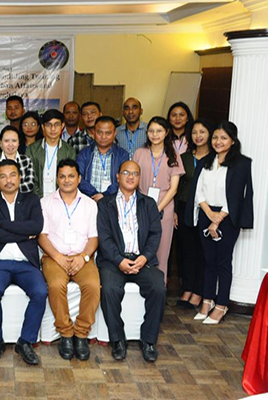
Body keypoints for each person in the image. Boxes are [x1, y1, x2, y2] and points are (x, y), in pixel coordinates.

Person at [96, 160, 166, 362]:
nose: (130, 176)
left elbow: (155, 234)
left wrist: (144, 258)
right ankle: (117, 340)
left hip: (142, 259)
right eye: (125, 172)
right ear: (117, 176)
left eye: (135, 173)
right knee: (109, 289)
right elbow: (104, 236)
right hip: (113, 261)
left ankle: (149, 340)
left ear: (139, 178)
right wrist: (119, 260)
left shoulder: (149, 203)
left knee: (158, 288)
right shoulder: (105, 204)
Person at [186, 121, 253, 325]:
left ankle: (222, 305)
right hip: (207, 213)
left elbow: (236, 195)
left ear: (233, 140)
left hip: (227, 217)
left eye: (223, 138)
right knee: (208, 262)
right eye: (215, 137)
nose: (218, 141)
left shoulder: (241, 163)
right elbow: (199, 191)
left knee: (223, 262)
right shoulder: (207, 161)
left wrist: (218, 219)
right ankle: (207, 301)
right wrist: (208, 213)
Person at [0, 159, 47, 365]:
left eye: (12, 175)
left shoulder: (32, 199)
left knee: (40, 291)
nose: (8, 180)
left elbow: (36, 227)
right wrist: (22, 232)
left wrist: (6, 226)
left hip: (25, 262)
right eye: (3, 176)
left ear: (20, 177)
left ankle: (25, 342)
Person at [39, 159, 100, 361]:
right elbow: (42, 236)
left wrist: (83, 258)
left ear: (79, 178)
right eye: (62, 176)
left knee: (93, 285)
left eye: (71, 176)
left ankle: (81, 334)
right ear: (57, 179)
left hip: (82, 257)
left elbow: (94, 238)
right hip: (54, 257)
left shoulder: (90, 205)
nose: (67, 180)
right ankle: (65, 333)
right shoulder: (45, 202)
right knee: (56, 285)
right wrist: (58, 257)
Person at [133, 117, 184, 282]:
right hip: (141, 205)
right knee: (140, 247)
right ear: (147, 133)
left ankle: (159, 289)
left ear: (166, 132)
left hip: (165, 208)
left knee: (162, 250)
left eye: (159, 131)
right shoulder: (140, 153)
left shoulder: (173, 154)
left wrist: (157, 208)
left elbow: (174, 188)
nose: (155, 135)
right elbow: (133, 181)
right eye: (151, 131)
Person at [174, 118, 212, 309]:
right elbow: (178, 185)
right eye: (195, 132)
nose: (198, 136)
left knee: (202, 251)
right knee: (187, 250)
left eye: (202, 132)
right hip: (184, 207)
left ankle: (198, 291)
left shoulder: (215, 158)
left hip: (205, 210)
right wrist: (173, 211)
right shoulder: (185, 157)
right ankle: (187, 288)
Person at [76, 116, 129, 202]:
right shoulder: (83, 154)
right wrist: (94, 194)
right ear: (94, 132)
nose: (103, 137)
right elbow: (78, 177)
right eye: (99, 132)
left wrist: (105, 195)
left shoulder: (123, 155)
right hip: (88, 201)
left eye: (108, 133)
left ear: (115, 133)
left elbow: (124, 179)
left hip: (113, 202)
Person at [26, 109, 76, 198]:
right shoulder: (32, 150)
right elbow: (30, 177)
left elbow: (70, 178)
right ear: (43, 127)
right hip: (37, 200)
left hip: (60, 200)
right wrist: (39, 199)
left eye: (56, 124)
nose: (53, 129)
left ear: (62, 126)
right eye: (49, 125)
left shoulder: (69, 151)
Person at [0, 125, 34, 196]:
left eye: (14, 141)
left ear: (19, 143)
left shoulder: (26, 160)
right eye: (6, 141)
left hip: (22, 203)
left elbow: (29, 186)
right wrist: (15, 188)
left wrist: (2, 187)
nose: (10, 144)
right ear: (0, 142)